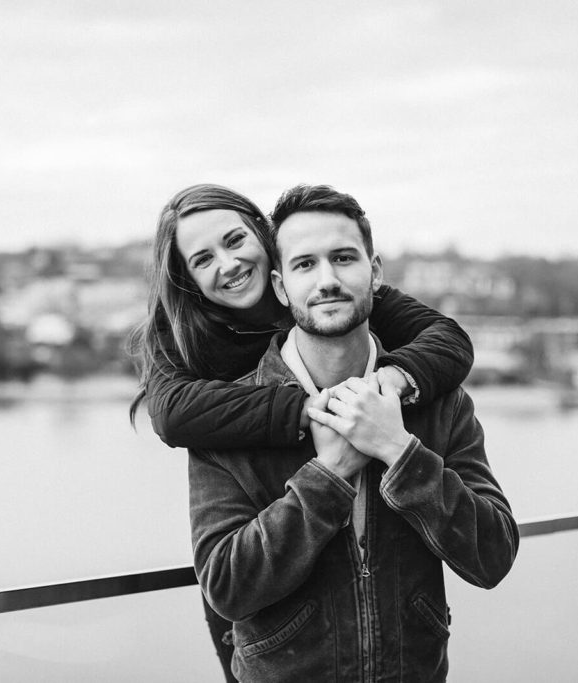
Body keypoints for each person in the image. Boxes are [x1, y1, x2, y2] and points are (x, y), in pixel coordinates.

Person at [128, 184, 476, 682]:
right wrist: (310, 413)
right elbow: (170, 415)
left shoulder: (336, 289)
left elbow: (450, 341)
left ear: (266, 241)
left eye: (234, 240)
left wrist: (392, 384)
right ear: (188, 280)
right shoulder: (184, 338)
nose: (227, 264)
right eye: (203, 259)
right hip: (267, 625)